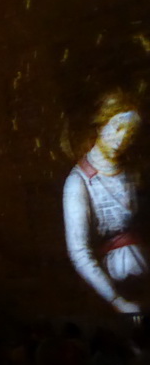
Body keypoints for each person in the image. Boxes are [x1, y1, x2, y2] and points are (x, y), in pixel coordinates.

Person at [63, 91, 146, 313]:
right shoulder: (78, 183)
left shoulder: (131, 173)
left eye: (129, 133)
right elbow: (79, 252)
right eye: (117, 128)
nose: (122, 139)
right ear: (101, 125)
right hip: (115, 285)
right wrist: (117, 301)